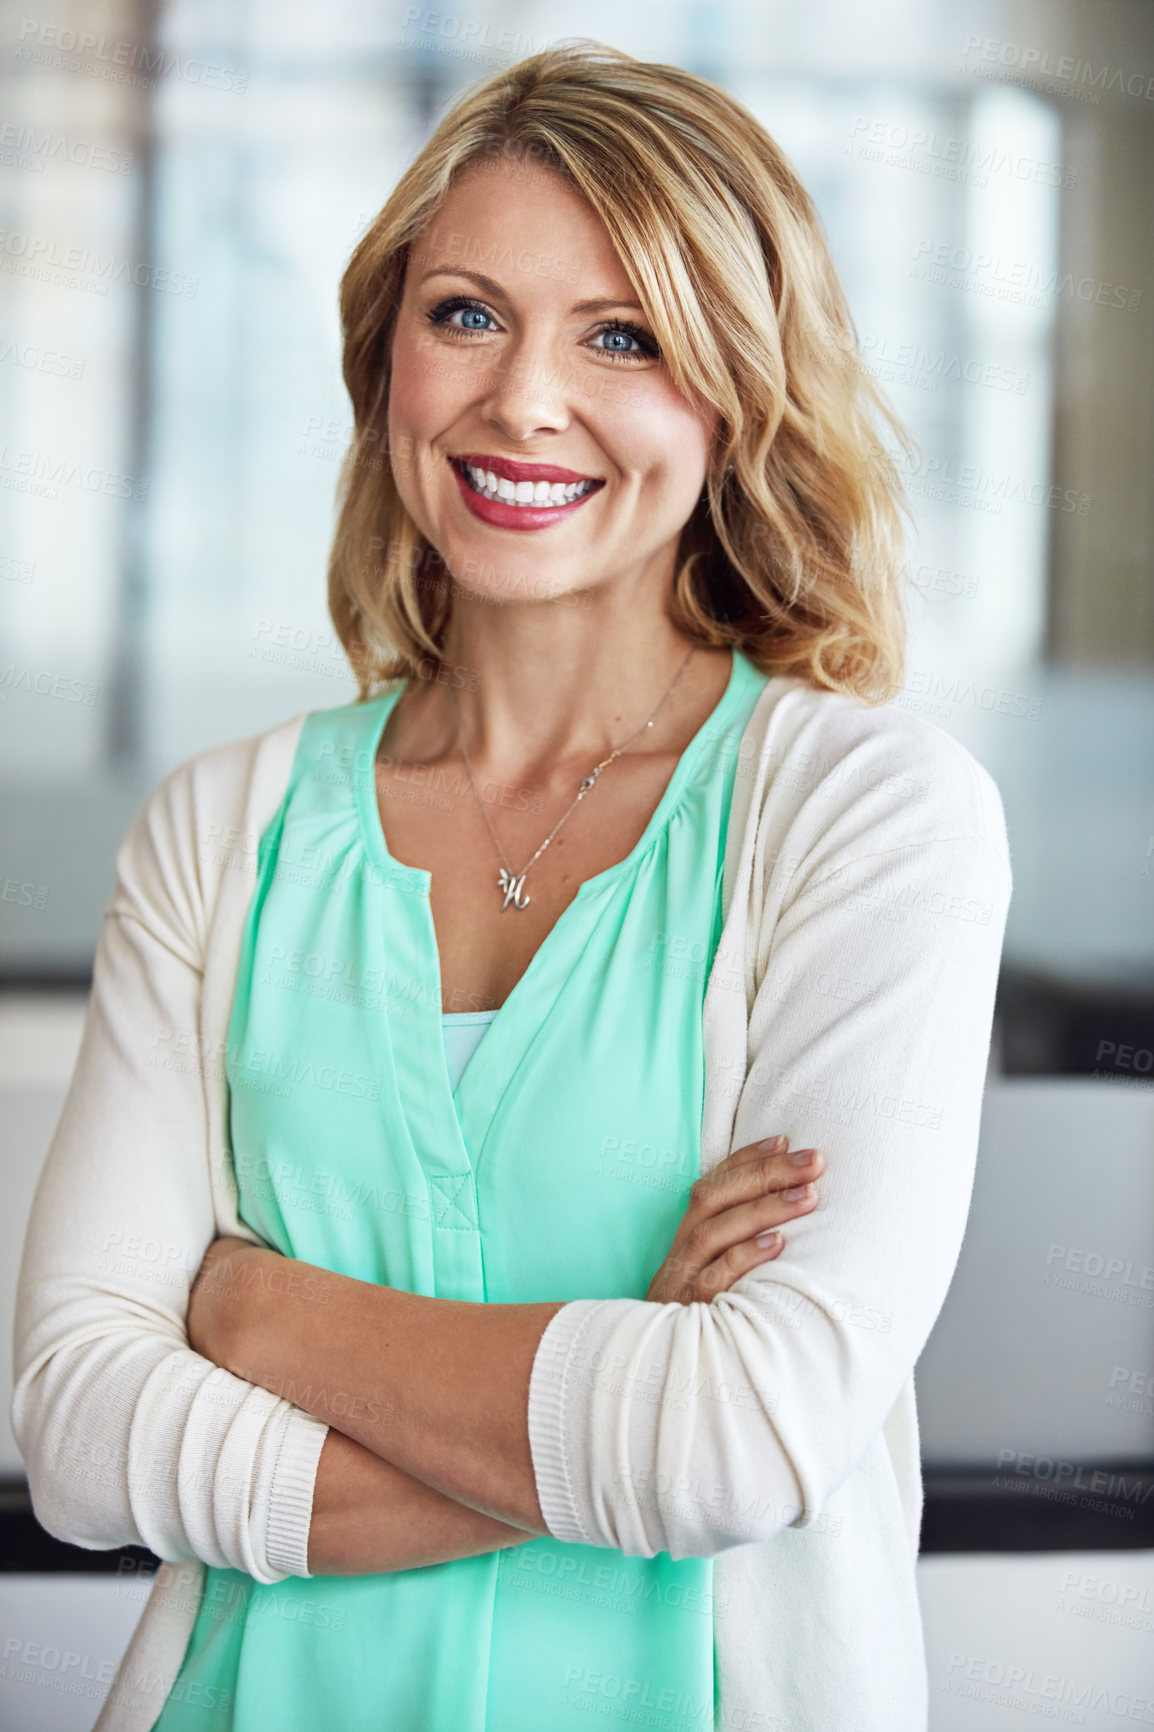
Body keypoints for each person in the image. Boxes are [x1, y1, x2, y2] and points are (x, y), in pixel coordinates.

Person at [11, 38, 1013, 1732]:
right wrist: (625, 1356)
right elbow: (79, 1430)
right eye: (466, 313)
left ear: (734, 395)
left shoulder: (866, 813)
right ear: (383, 356)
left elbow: (747, 1437)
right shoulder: (219, 830)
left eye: (619, 336)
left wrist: (263, 1311)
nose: (522, 399)